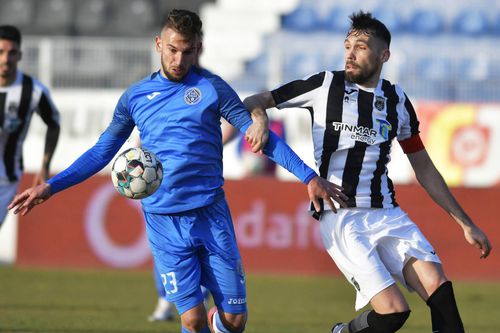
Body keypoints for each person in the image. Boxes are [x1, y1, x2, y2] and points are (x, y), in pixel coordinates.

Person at [9, 9, 346, 333]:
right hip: (163, 220)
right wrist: (51, 186)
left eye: (187, 52)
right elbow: (101, 152)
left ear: (197, 48)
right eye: (172, 50)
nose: (178, 60)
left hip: (210, 214)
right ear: (158, 44)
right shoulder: (135, 97)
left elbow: (262, 139)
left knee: (234, 321)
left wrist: (309, 176)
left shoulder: (213, 89)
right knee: (192, 320)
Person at [243, 11, 492, 333]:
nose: (350, 52)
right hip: (342, 216)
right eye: (347, 45)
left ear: (383, 54)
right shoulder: (324, 85)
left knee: (441, 292)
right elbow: (256, 98)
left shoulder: (397, 100)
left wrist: (465, 223)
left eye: (360, 46)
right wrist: (260, 120)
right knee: (393, 314)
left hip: (388, 213)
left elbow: (424, 167)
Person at [0, 25, 60, 230]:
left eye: (11, 53)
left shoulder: (33, 90)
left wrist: (44, 166)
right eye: (0, 52)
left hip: (5, 178)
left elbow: (54, 124)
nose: (6, 59)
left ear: (20, 54)